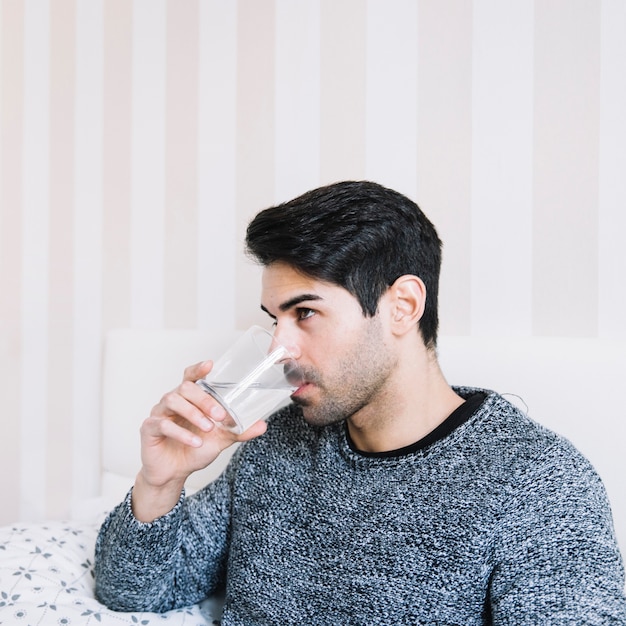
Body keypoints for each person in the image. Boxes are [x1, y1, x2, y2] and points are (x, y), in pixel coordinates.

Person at [95, 181, 626, 624]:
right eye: (272, 319)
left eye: (304, 313)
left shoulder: (535, 481)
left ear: (403, 306)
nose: (278, 348)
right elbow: (135, 594)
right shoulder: (276, 442)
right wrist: (161, 481)